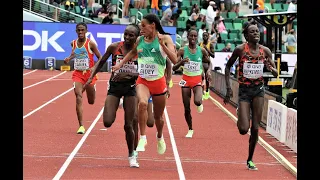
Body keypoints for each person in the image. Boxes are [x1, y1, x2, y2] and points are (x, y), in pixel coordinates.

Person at [112, 14, 177, 155]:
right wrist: (120, 64)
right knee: (142, 103)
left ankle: (159, 136)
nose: (140, 29)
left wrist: (162, 46)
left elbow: (175, 59)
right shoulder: (140, 39)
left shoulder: (165, 39)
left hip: (158, 82)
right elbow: (132, 53)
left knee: (158, 118)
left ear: (152, 25)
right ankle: (143, 137)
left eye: (143, 26)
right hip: (143, 80)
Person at [82, 24, 140, 168]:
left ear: (136, 37)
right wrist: (91, 76)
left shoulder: (140, 51)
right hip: (114, 87)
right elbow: (101, 62)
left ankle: (132, 154)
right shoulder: (114, 47)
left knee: (128, 125)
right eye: (126, 34)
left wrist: (129, 74)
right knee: (107, 122)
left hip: (131, 88)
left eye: (131, 35)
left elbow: (144, 72)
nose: (127, 37)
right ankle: (117, 104)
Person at [223, 20, 278, 170]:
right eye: (252, 31)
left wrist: (269, 68)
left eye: (257, 31)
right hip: (245, 91)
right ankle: (241, 112)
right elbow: (227, 67)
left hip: (259, 90)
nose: (256, 33)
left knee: (255, 128)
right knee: (243, 129)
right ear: (247, 36)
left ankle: (250, 159)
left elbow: (276, 72)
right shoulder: (240, 50)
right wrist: (228, 88)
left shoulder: (265, 51)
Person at [63, 22, 101, 134]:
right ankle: (81, 126)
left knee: (91, 101)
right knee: (78, 96)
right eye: (78, 30)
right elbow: (75, 53)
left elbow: (100, 57)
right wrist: (68, 59)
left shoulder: (91, 44)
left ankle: (93, 88)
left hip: (89, 74)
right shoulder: (73, 43)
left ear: (86, 31)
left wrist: (94, 68)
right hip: (78, 74)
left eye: (82, 30)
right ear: (76, 31)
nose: (80, 32)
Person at [172, 29, 212, 138]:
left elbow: (209, 62)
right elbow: (174, 67)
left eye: (195, 36)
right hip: (186, 80)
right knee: (187, 108)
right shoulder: (182, 50)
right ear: (188, 37)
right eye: (191, 36)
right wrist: (181, 62)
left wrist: (208, 71)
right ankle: (190, 129)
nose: (193, 38)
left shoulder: (202, 50)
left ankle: (200, 102)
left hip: (196, 80)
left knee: (197, 101)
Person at [199, 31, 215, 100]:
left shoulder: (210, 44)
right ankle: (202, 92)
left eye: (206, 36)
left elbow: (213, 55)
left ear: (208, 37)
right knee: (201, 77)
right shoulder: (200, 44)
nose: (205, 37)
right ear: (202, 37)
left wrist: (207, 50)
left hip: (207, 63)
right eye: (204, 36)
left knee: (207, 78)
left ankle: (207, 91)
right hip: (201, 63)